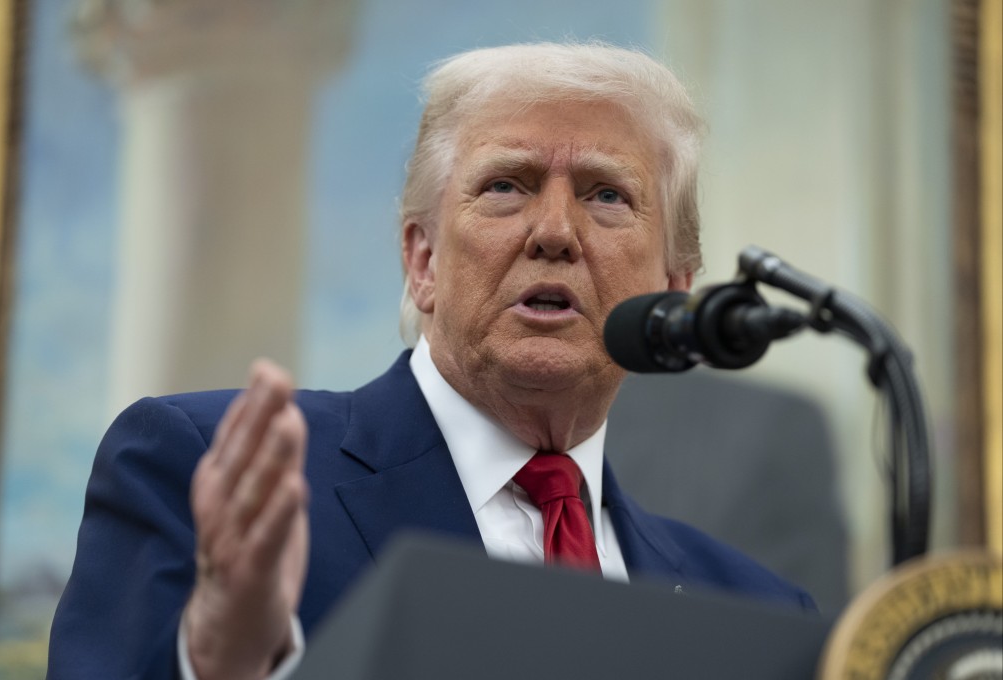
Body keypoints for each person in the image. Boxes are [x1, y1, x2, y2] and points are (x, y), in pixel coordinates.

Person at [47, 42, 815, 680]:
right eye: (506, 185)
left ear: (674, 293)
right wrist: (217, 661)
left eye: (607, 195)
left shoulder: (762, 616)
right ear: (423, 261)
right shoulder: (198, 468)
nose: (554, 231)